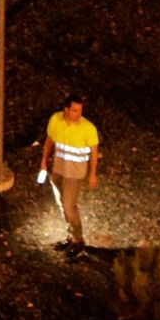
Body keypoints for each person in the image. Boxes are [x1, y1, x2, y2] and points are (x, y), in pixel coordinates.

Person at [40, 94, 100, 256]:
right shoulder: (55, 120)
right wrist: (44, 161)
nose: (78, 114)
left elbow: (94, 153)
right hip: (58, 170)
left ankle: (78, 240)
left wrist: (92, 174)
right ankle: (70, 236)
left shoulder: (88, 128)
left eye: (80, 110)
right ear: (65, 109)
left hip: (74, 174)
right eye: (74, 110)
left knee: (69, 206)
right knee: (62, 204)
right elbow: (49, 140)